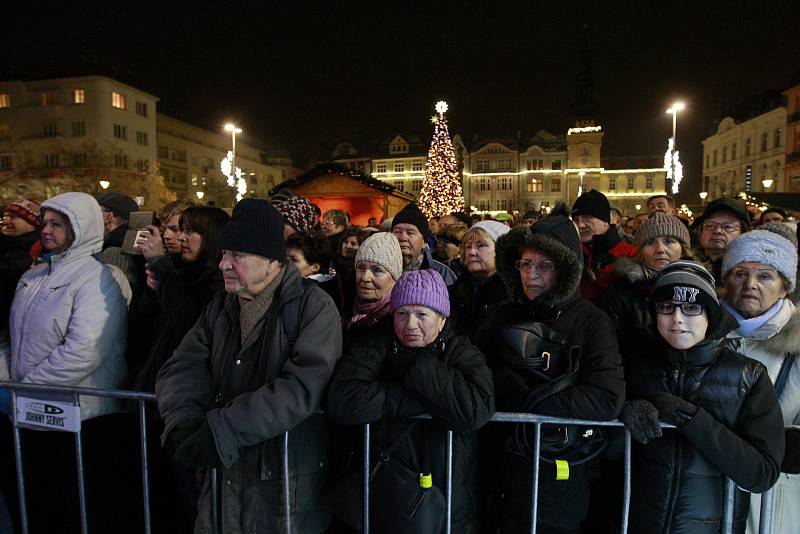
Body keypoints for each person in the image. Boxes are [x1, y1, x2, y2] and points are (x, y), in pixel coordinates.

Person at [156, 198, 342, 534]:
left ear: (272, 260)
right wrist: (183, 419)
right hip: (223, 478)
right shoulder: (221, 307)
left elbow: (302, 386)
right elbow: (182, 365)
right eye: (224, 254)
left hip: (284, 479)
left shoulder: (312, 307)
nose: (224, 264)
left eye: (237, 256)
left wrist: (222, 429)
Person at [481, 215, 625, 534]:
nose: (531, 275)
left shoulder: (592, 321)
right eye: (524, 263)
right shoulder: (504, 314)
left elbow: (605, 397)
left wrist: (523, 402)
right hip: (502, 471)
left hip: (561, 474)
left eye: (543, 265)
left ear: (565, 267)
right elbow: (481, 377)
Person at [1, 192, 133, 534]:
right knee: (39, 509)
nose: (46, 230)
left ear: (80, 228)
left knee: (78, 511)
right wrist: (6, 381)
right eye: (44, 222)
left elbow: (85, 349)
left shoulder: (98, 277)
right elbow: (14, 339)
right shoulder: (33, 277)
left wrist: (24, 388)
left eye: (57, 224)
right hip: (32, 415)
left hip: (81, 418)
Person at [326, 269, 495, 533]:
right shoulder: (377, 345)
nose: (410, 324)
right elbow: (343, 399)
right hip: (388, 498)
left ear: (441, 319)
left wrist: (418, 368)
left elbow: (476, 409)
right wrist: (417, 399)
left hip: (448, 502)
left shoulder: (461, 351)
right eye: (402, 314)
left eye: (422, 314)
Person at [621, 260, 784, 533]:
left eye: (692, 307)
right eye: (665, 307)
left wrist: (692, 419)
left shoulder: (748, 375)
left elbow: (761, 473)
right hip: (637, 523)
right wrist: (622, 412)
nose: (677, 319)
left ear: (710, 314)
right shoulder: (634, 367)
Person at [132, 205, 230, 532]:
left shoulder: (218, 284)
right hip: (162, 399)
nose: (182, 238)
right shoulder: (183, 274)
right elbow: (151, 326)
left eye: (191, 231)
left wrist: (161, 266)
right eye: (180, 229)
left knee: (192, 501)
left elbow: (188, 322)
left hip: (190, 409)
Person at [718, 226, 800, 533]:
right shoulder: (695, 333)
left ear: (784, 286)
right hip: (709, 498)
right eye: (740, 273)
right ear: (726, 279)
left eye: (765, 275)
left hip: (777, 502)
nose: (750, 284)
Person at [599, 212, 693, 365]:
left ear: (683, 248)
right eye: (650, 243)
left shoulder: (700, 287)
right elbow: (608, 350)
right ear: (640, 251)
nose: (660, 249)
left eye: (669, 241)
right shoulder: (620, 293)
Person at [448, 220, 510, 349]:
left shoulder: (512, 299)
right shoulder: (452, 293)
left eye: (480, 246)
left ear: (501, 251)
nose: (471, 252)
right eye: (468, 246)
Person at [571, 189, 638, 301]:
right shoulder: (574, 253)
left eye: (587, 217)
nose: (580, 225)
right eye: (576, 220)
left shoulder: (630, 254)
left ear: (605, 221)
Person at [343, 232, 403, 345]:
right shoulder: (345, 304)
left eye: (377, 270)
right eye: (361, 268)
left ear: (395, 278)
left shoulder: (399, 321)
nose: (365, 278)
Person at [0, 198, 40, 331]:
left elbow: (11, 267)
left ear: (31, 224)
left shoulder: (34, 250)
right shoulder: (6, 244)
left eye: (13, 217)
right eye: (5, 216)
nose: (5, 221)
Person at [392, 203, 456, 285]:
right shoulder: (381, 270)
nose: (402, 237)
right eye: (398, 232)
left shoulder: (442, 273)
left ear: (424, 241)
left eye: (410, 233)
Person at [691, 196, 750, 286]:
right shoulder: (686, 266)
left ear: (743, 233)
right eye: (710, 225)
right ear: (700, 231)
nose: (717, 231)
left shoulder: (751, 273)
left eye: (728, 227)